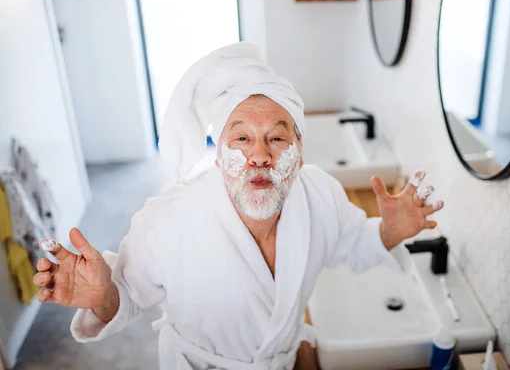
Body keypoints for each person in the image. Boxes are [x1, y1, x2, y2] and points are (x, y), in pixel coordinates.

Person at [33, 42, 443, 369]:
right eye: (242, 138)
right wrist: (103, 294)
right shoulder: (166, 221)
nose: (260, 155)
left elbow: (353, 242)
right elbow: (128, 296)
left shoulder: (320, 195)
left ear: (299, 153)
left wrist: (391, 230)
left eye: (277, 138)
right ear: (218, 154)